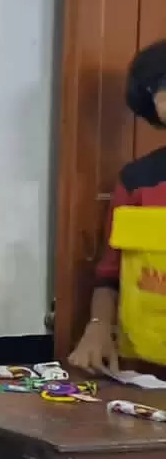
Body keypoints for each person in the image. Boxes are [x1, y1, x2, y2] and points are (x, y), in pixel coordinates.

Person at [71, 39, 166, 375]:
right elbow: (109, 275)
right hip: (144, 371)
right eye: (161, 87)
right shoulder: (136, 181)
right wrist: (97, 327)